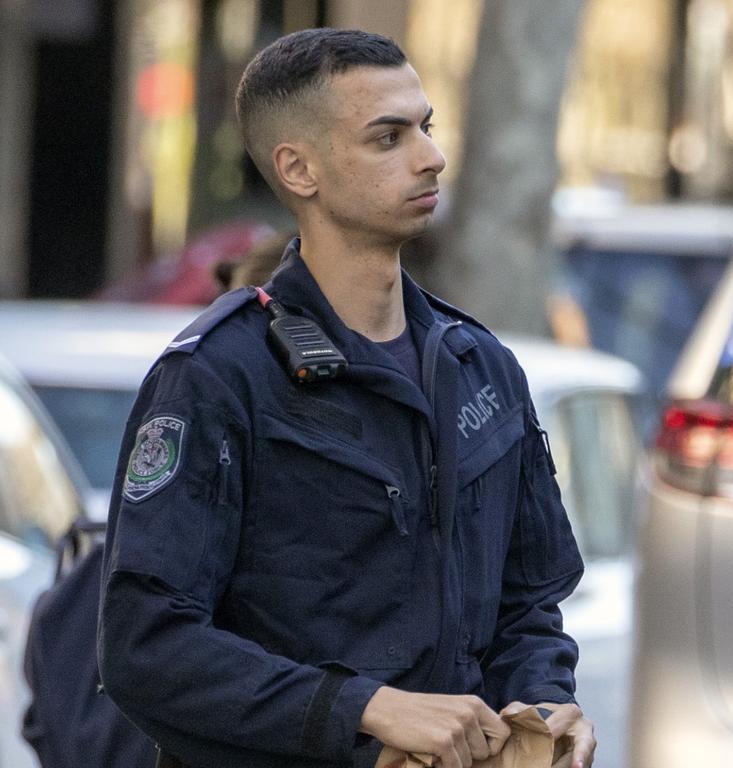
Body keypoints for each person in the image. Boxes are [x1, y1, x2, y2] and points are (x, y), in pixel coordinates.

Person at [98, 28, 596, 768]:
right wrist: (367, 709)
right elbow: (147, 648)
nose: (430, 156)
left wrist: (545, 701)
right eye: (387, 137)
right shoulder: (217, 376)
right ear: (299, 169)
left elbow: (529, 605)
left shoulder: (482, 366)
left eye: (426, 127)